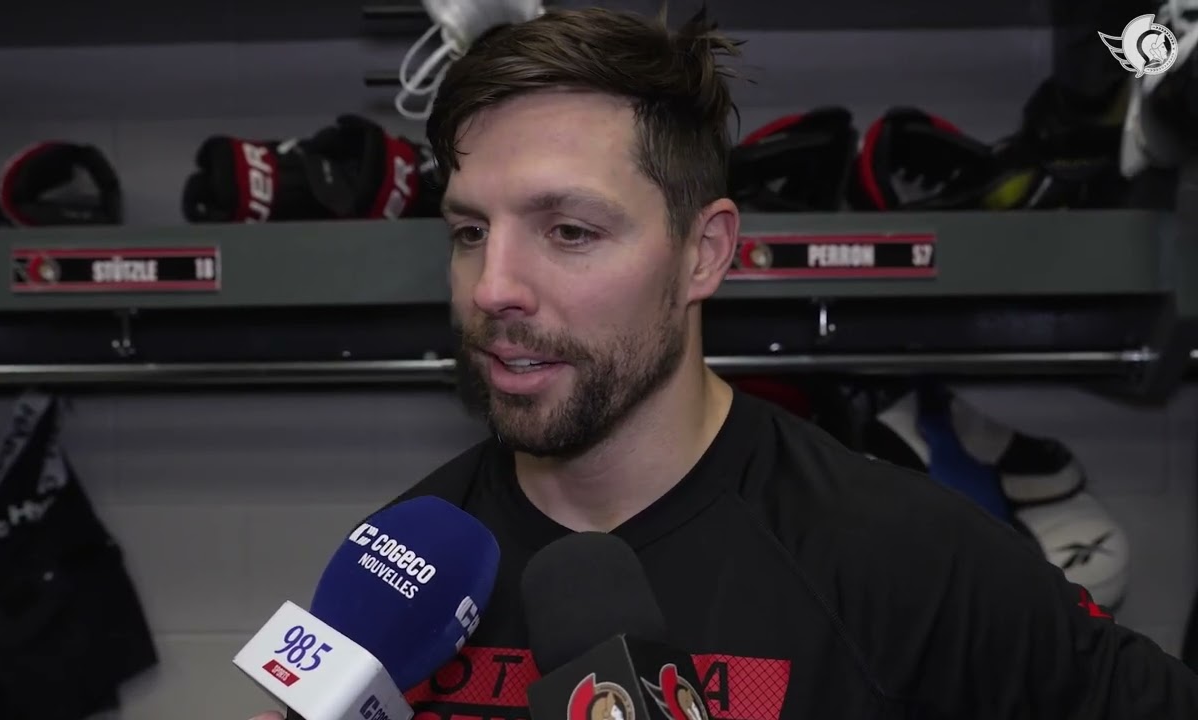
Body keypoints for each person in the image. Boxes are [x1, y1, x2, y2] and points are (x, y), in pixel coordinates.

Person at [253, 7, 1198, 720]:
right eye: (468, 231)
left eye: (569, 231)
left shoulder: (909, 561)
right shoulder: (406, 558)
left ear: (705, 253)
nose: (493, 286)